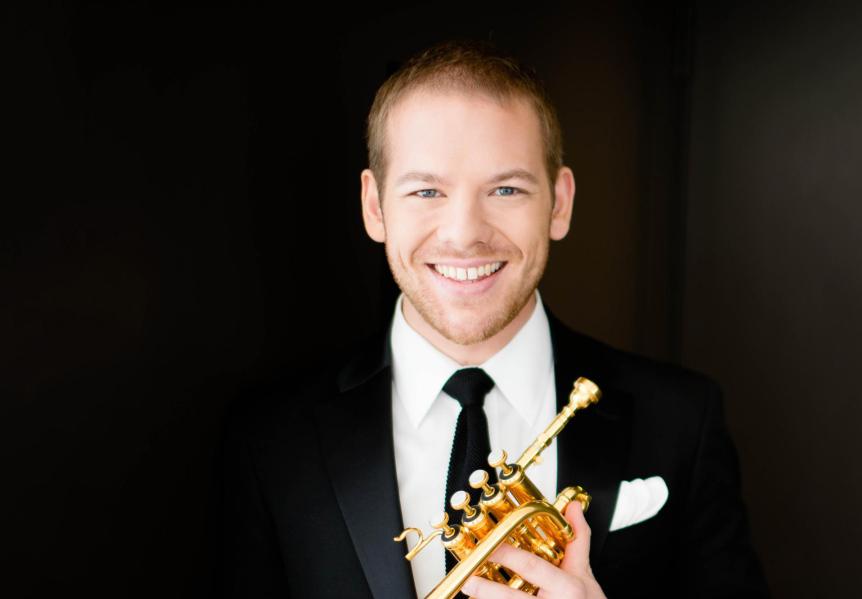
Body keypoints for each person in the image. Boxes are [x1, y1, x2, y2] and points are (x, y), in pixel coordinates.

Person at [217, 39, 770, 598]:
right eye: (427, 190)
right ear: (374, 206)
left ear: (559, 202)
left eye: (505, 189)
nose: (463, 234)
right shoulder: (272, 441)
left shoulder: (681, 420)